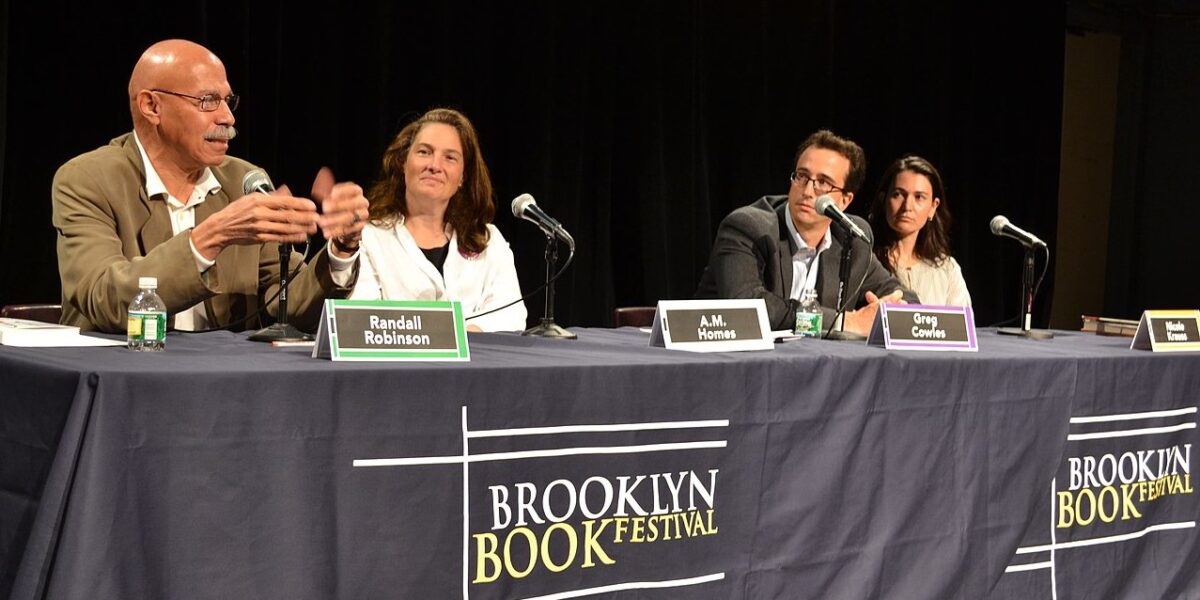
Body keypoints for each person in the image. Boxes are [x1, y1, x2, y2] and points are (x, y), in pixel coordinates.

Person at [52, 39, 368, 334]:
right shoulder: (87, 179)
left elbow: (290, 304)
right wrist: (212, 236)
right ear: (152, 107)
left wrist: (341, 249)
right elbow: (102, 297)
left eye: (228, 101)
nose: (228, 117)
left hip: (224, 380)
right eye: (208, 101)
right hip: (123, 374)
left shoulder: (243, 180)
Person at [695, 130, 916, 334]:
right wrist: (845, 322)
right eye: (802, 176)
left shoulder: (851, 239)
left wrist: (891, 308)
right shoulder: (749, 228)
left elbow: (903, 297)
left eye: (823, 183)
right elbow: (745, 307)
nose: (808, 191)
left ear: (845, 200)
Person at [348, 108, 527, 332]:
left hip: (477, 364)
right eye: (424, 152)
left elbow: (511, 314)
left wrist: (462, 336)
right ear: (403, 163)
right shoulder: (368, 236)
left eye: (450, 157)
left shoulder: (489, 240)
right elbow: (365, 318)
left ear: (463, 176)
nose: (434, 165)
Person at [868, 155, 971, 307]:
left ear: (933, 207)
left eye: (919, 197)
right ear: (884, 199)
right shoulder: (864, 259)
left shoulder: (947, 269)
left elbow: (961, 327)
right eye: (898, 194)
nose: (907, 206)